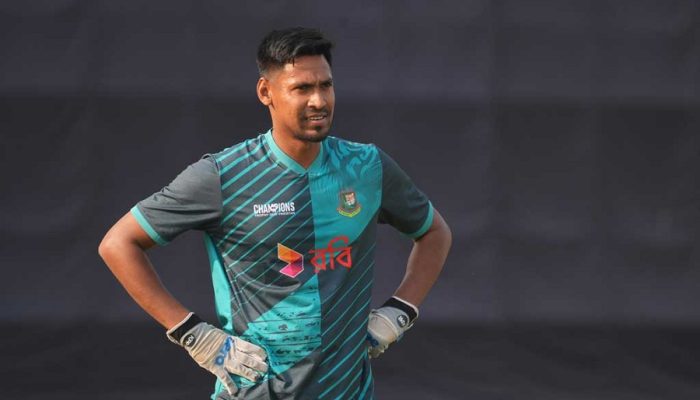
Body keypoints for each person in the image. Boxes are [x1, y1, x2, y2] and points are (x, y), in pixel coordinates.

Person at [98, 27, 451, 400]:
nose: (319, 100)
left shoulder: (367, 167)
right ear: (266, 92)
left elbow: (434, 232)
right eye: (302, 88)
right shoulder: (223, 176)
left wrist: (400, 311)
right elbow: (118, 243)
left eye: (326, 86)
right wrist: (192, 333)